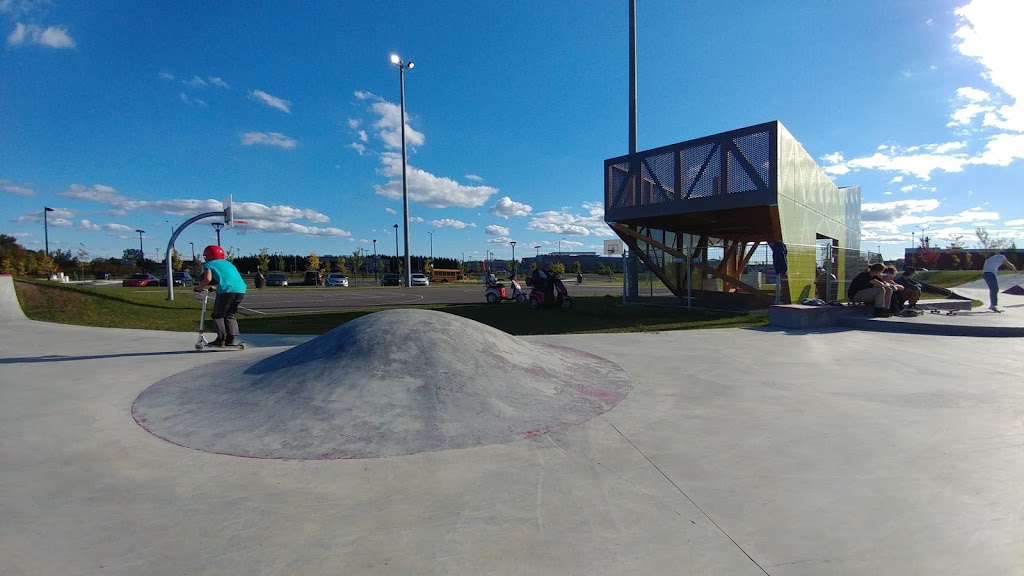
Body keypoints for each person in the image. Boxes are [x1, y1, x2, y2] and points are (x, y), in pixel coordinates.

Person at [195, 245, 247, 346]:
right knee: (230, 314)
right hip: (241, 290)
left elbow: (207, 279)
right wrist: (215, 287)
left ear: (208, 255)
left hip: (227, 291)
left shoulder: (208, 264)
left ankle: (220, 340)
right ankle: (231, 339)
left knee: (217, 315)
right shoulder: (229, 264)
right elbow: (230, 279)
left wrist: (199, 288)